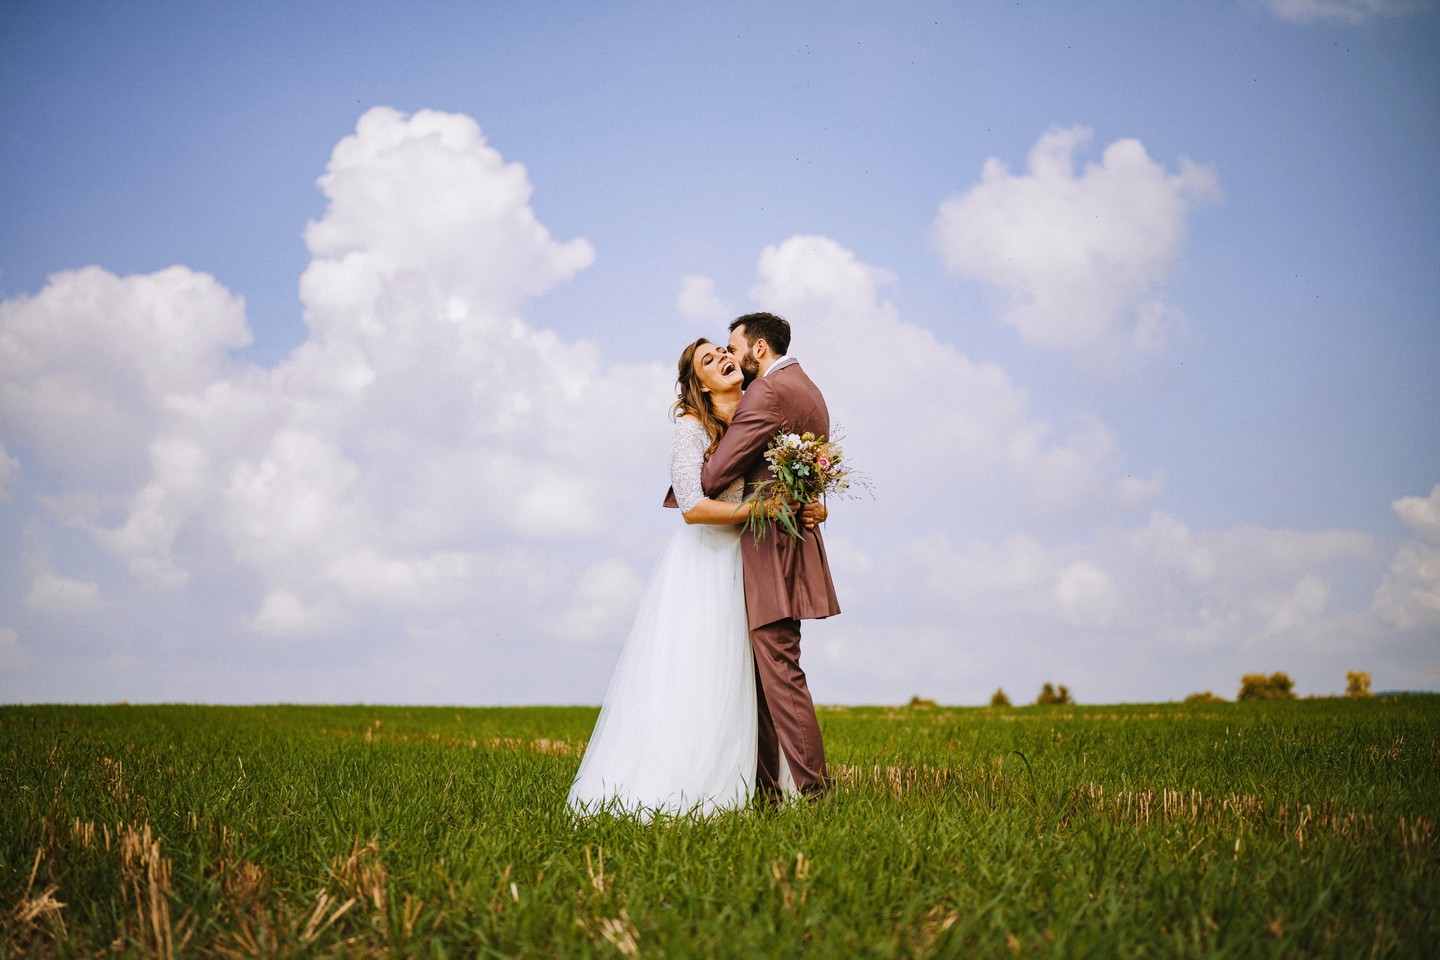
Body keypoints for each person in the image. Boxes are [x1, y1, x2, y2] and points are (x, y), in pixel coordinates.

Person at [567, 337, 825, 819]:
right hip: (707, 562)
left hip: (756, 560)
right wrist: (757, 508)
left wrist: (811, 503)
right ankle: (697, 783)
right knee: (707, 672)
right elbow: (691, 507)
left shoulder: (758, 415)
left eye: (725, 352)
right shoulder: (691, 429)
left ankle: (765, 791)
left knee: (755, 679)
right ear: (700, 387)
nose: (724, 359)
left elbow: (789, 484)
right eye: (709, 360)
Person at [701, 312, 840, 801]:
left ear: (758, 349)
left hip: (767, 545)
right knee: (766, 675)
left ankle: (817, 793)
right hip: (793, 541)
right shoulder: (812, 391)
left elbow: (715, 475)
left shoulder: (766, 393)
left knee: (779, 671)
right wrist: (813, 504)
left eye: (733, 347)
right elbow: (812, 471)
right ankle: (765, 795)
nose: (729, 355)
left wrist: (700, 441)